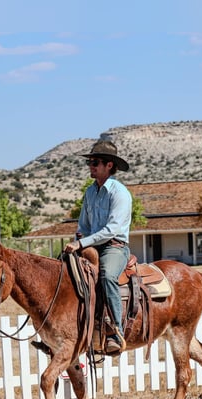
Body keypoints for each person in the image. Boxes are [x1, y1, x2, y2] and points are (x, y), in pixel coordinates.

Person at [64, 138, 132, 355]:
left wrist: (81, 243)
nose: (91, 166)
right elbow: (83, 224)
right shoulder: (90, 192)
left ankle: (115, 330)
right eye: (90, 162)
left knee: (107, 276)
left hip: (114, 247)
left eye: (95, 162)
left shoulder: (119, 193)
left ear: (109, 165)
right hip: (91, 246)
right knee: (64, 273)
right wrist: (79, 239)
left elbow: (112, 229)